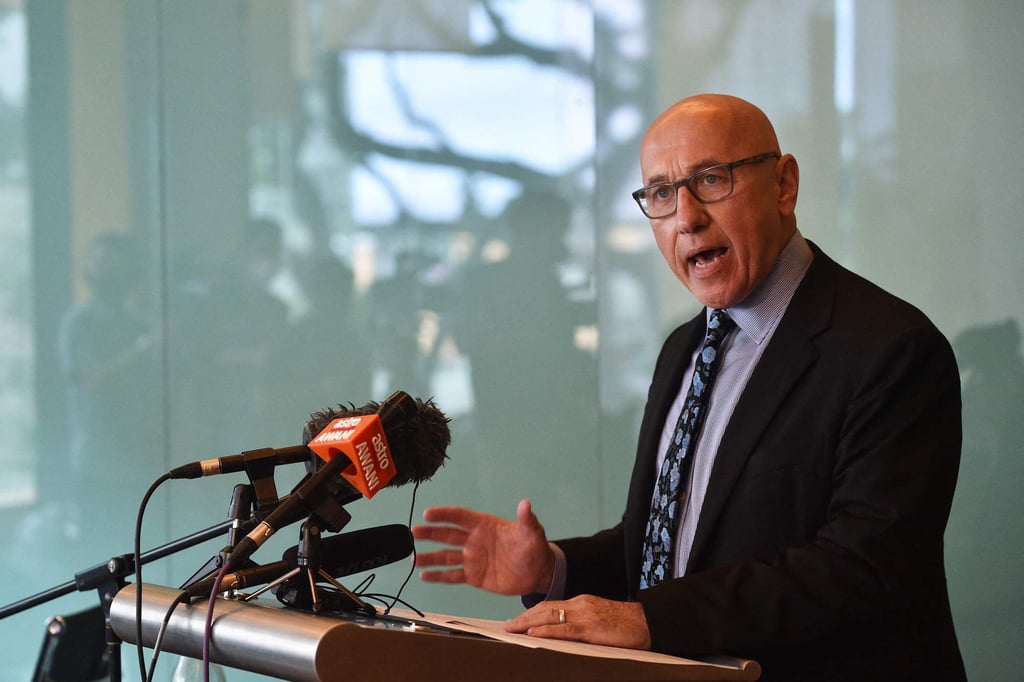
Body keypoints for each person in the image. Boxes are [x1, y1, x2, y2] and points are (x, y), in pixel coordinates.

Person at [411, 94, 967, 681]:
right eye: (660, 194)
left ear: (784, 185)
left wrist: (651, 620)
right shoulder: (684, 348)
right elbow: (668, 540)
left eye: (712, 179)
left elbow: (862, 568)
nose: (686, 217)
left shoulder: (891, 348)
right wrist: (553, 569)